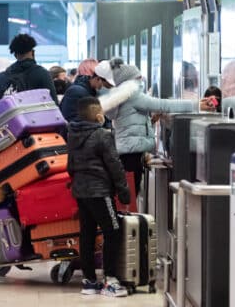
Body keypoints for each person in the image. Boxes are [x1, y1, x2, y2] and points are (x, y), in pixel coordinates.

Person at [96, 58, 197, 193]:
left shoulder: (121, 95)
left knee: (128, 192)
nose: (141, 78)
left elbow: (130, 118)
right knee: (131, 192)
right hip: (132, 153)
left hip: (126, 150)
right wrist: (196, 105)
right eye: (138, 77)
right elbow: (163, 105)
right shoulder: (132, 95)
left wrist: (150, 120)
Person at [67, 96, 130, 298]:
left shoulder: (72, 133)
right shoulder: (102, 135)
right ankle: (110, 280)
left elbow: (69, 165)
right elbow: (114, 165)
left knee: (87, 234)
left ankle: (89, 281)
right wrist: (123, 189)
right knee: (113, 231)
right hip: (99, 191)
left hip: (80, 191)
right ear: (98, 115)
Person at [0, 34, 58, 107]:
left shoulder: (4, 76)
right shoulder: (42, 73)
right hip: (36, 119)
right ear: (32, 52)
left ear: (15, 55)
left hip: (9, 120)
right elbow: (54, 104)